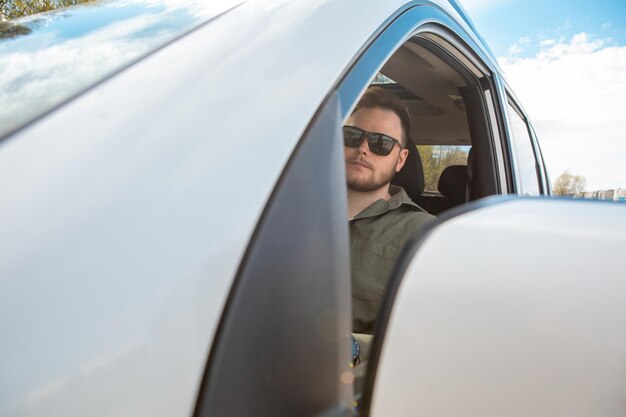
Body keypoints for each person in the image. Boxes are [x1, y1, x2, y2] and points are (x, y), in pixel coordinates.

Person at [345, 87, 435, 365]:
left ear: (401, 159)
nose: (363, 148)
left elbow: (425, 343)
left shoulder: (426, 236)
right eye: (352, 136)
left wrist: (352, 348)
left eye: (381, 143)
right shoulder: (285, 210)